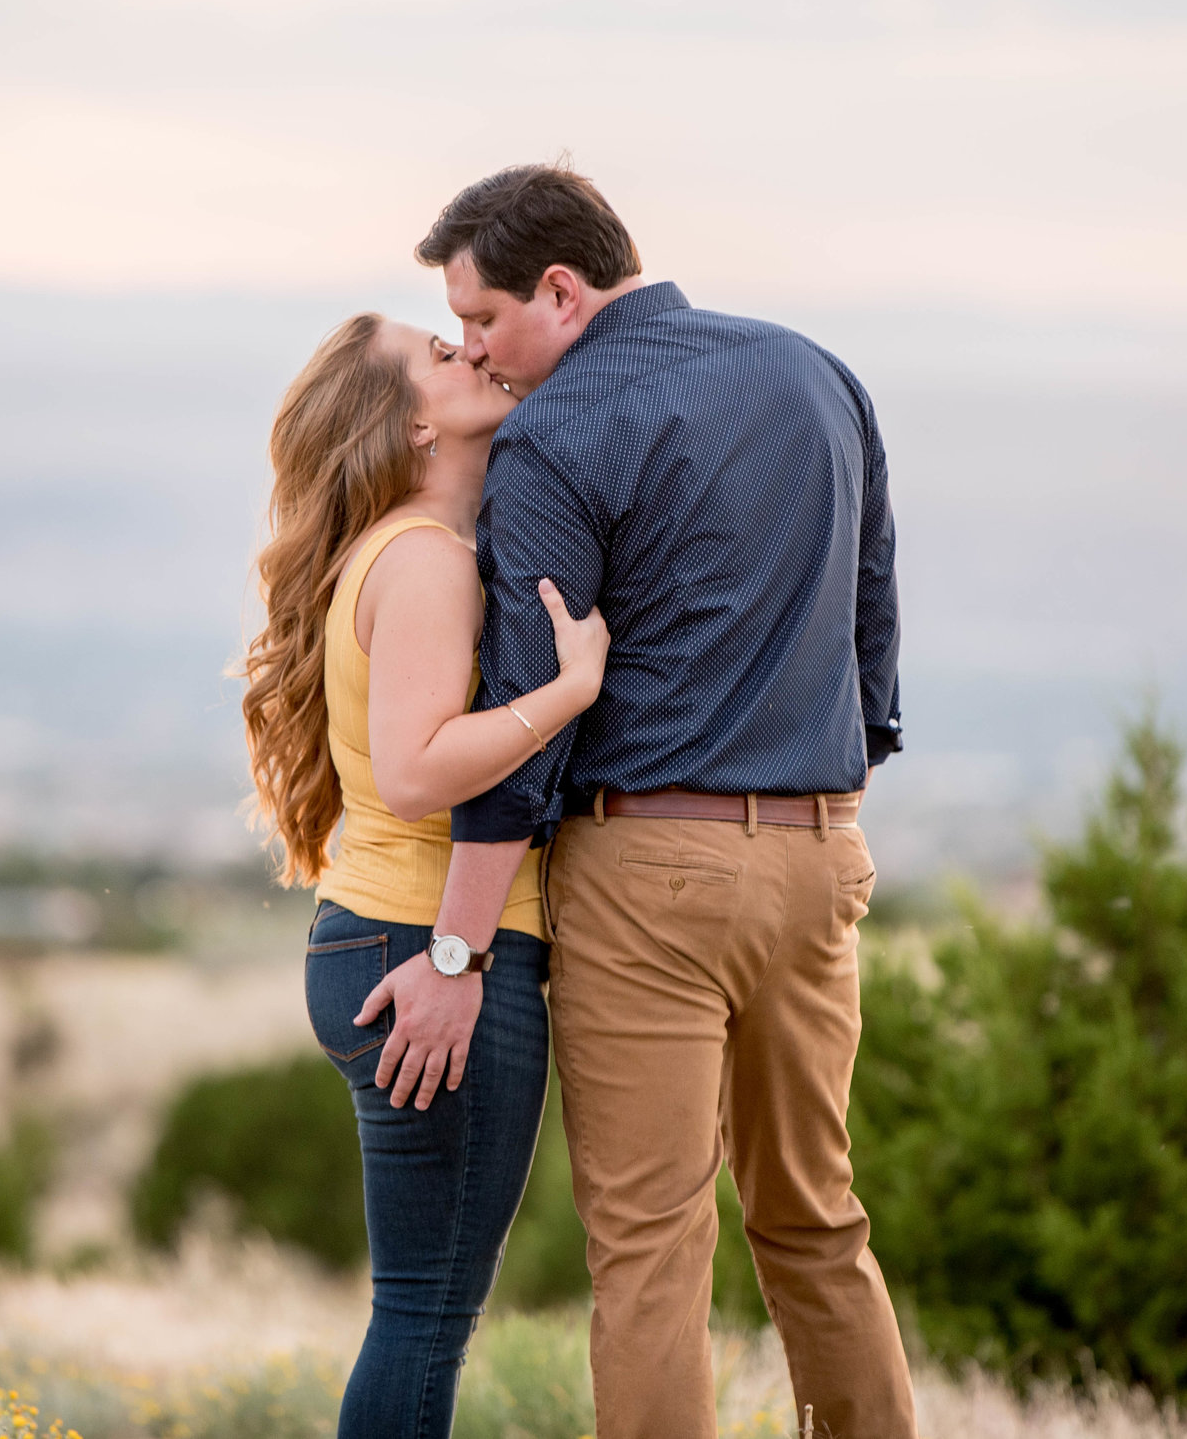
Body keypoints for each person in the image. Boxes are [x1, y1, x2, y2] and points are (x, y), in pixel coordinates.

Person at [414, 165, 916, 1439]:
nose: (473, 350)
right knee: (817, 1219)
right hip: (822, 858)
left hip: (646, 873)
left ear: (562, 291)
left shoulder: (554, 433)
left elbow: (527, 719)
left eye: (481, 320)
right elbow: (874, 633)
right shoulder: (818, 373)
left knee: (648, 1250)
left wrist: (459, 944)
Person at [240, 310, 610, 1439]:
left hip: (385, 938)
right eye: (440, 356)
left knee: (421, 1309)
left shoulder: (400, 554)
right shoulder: (427, 561)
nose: (470, 353)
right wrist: (566, 692)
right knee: (424, 1315)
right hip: (429, 954)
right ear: (409, 423)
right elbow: (414, 771)